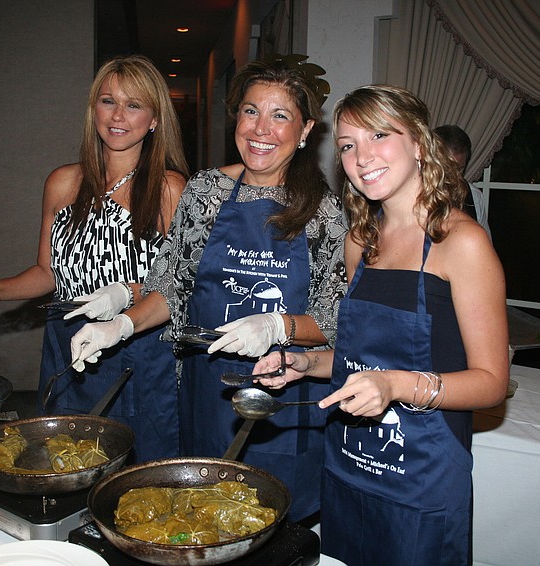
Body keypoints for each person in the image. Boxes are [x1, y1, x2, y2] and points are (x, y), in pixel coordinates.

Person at [67, 57, 348, 522]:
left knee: (271, 528)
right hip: (205, 396)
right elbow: (170, 288)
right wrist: (120, 324)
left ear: (305, 130)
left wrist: (278, 325)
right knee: (197, 522)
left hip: (279, 402)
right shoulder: (205, 192)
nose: (262, 128)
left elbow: (333, 325)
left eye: (281, 116)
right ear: (236, 118)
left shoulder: (326, 214)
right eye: (251, 111)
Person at [252, 85, 508, 565]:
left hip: (423, 479)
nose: (361, 156)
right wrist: (302, 362)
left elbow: (492, 384)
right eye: (348, 145)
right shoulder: (360, 242)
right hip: (349, 470)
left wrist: (393, 385)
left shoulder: (461, 242)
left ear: (418, 143)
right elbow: (358, 361)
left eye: (378, 135)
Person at [0, 55, 188, 462]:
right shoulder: (63, 182)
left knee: (137, 463)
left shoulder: (168, 188)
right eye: (108, 101)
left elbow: (183, 283)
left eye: (134, 105)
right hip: (66, 339)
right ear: (94, 110)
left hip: (138, 349)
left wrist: (125, 293)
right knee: (66, 456)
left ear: (155, 118)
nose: (118, 116)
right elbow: (47, 273)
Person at [435, 124, 492, 239]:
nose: (453, 176)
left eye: (459, 169)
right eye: (446, 168)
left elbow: (485, 246)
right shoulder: (407, 196)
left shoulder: (474, 197)